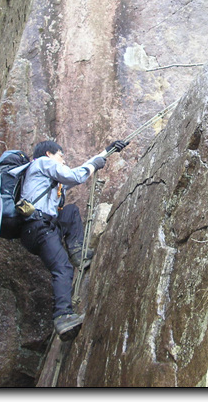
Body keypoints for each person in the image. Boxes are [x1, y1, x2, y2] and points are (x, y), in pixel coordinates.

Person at [19, 139, 128, 341]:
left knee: (69, 212)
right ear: (49, 154)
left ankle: (78, 252)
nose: (63, 159)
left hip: (40, 226)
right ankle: (63, 316)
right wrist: (93, 164)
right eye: (61, 155)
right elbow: (75, 175)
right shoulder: (43, 163)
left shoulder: (48, 178)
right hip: (38, 226)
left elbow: (77, 174)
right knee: (62, 268)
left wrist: (106, 152)